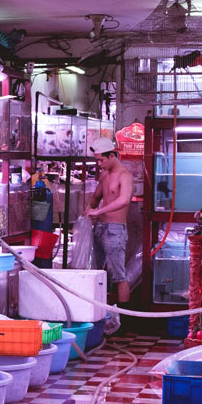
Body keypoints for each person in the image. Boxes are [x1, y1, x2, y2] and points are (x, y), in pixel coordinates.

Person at [85, 137, 132, 334]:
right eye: (97, 160)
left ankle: (124, 322)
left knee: (118, 274)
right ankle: (99, 317)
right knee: (96, 272)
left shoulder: (124, 175)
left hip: (115, 229)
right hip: (100, 228)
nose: (99, 164)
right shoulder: (104, 174)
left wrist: (99, 211)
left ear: (112, 155)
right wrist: (89, 209)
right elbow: (96, 197)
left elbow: (124, 199)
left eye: (101, 160)